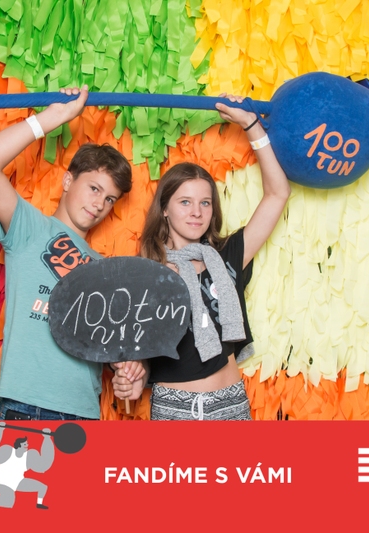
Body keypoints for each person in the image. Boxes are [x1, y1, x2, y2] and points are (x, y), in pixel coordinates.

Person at [0, 86, 144, 421]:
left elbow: (113, 349)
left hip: (83, 412)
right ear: (67, 181)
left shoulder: (106, 269)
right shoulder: (30, 228)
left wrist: (131, 371)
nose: (99, 204)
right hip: (27, 405)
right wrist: (51, 118)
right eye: (94, 188)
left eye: (109, 199)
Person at [112, 95, 291, 420]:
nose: (196, 212)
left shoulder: (228, 256)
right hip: (173, 408)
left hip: (231, 405)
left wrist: (250, 124)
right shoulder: (143, 275)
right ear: (165, 209)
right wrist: (132, 377)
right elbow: (140, 355)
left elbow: (278, 193)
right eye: (185, 202)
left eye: (205, 203)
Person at [0, 422, 54, 509]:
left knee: (42, 487)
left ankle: (39, 504)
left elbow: (44, 464)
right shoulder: (8, 452)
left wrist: (47, 438)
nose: (27, 445)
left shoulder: (28, 457)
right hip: (5, 482)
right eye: (25, 444)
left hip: (18, 481)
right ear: (19, 445)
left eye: (27, 444)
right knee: (9, 503)